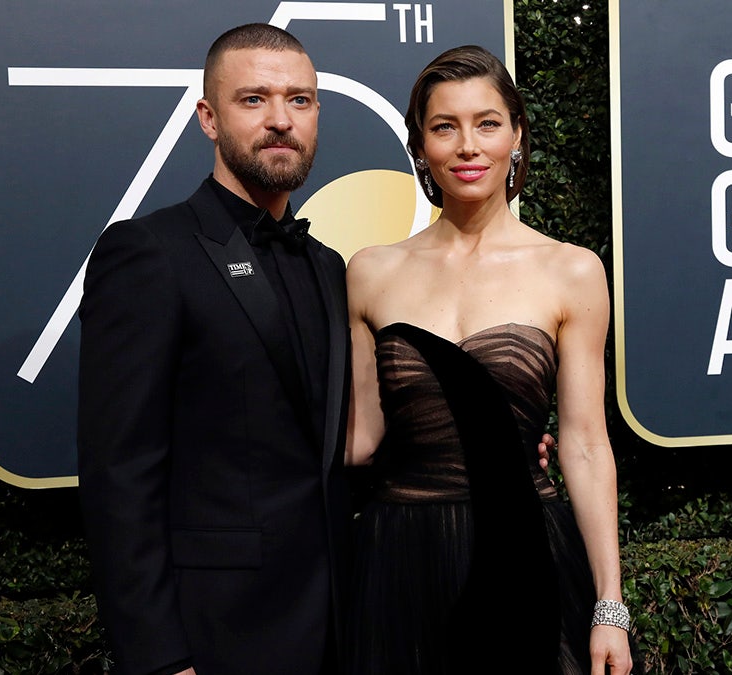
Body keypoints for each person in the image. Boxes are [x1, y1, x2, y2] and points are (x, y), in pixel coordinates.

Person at [344, 45, 640, 675]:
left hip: (522, 550)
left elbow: (585, 445)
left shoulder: (572, 271)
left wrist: (609, 606)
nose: (468, 146)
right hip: (400, 557)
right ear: (420, 146)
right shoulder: (369, 272)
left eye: (487, 123)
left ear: (516, 135)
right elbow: (358, 440)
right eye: (444, 126)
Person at [77, 23, 351, 675]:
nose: (281, 120)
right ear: (208, 117)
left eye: (300, 100)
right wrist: (159, 655)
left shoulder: (331, 266)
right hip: (218, 634)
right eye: (253, 99)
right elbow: (120, 472)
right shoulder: (149, 252)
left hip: (340, 623)